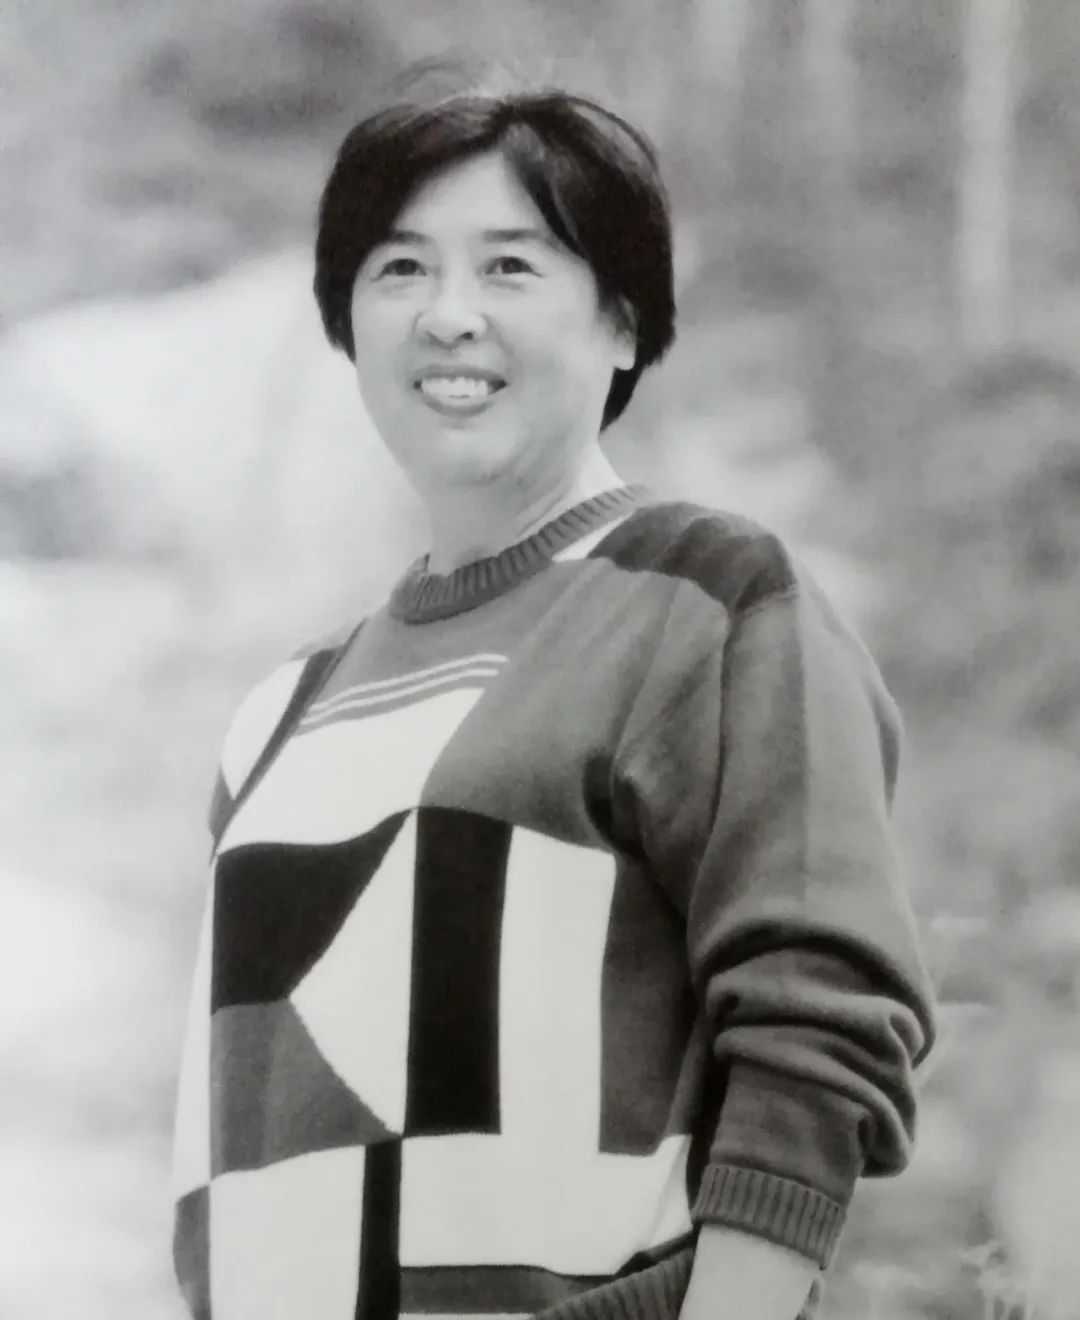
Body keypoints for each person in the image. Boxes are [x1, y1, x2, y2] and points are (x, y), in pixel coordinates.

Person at [171, 83, 936, 1320]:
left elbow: (819, 1025)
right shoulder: (282, 709)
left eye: (511, 267)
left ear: (624, 323)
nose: (449, 315)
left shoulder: (705, 599)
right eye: (400, 268)